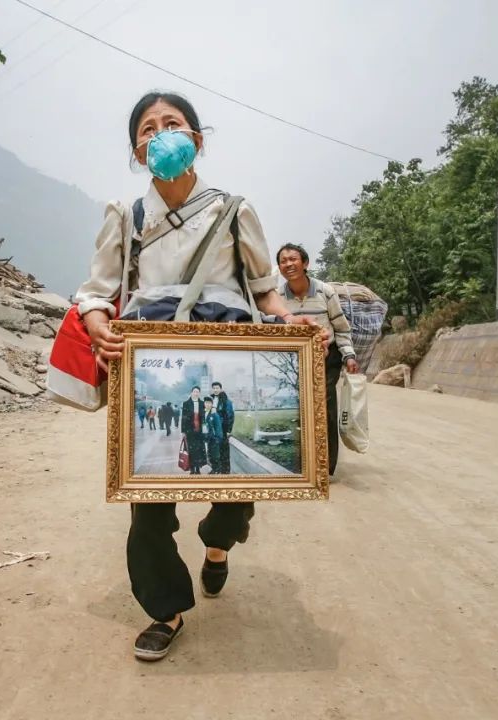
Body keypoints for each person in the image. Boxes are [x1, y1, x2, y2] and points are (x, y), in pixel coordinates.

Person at [74, 91, 325, 662]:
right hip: (148, 355)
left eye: (173, 123)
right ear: (136, 149)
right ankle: (166, 610)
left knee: (233, 485)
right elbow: (95, 290)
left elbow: (264, 289)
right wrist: (96, 323)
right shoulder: (126, 216)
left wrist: (299, 329)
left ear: (197, 139)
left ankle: (217, 545)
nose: (160, 133)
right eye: (148, 127)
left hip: (227, 345)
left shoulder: (235, 210)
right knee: (148, 501)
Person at [277, 243, 359, 477]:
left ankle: (325, 466)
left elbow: (341, 328)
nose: (288, 264)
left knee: (324, 408)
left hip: (325, 357)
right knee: (298, 409)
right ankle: (301, 463)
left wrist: (349, 354)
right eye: (283, 261)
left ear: (305, 263)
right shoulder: (278, 297)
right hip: (293, 361)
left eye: (293, 259)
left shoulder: (325, 292)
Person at [180, 386, 206, 476]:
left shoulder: (202, 403)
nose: (196, 393)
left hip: (199, 431)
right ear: (191, 392)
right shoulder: (186, 403)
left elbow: (204, 417)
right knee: (190, 450)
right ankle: (192, 468)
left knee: (198, 450)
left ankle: (198, 468)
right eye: (194, 391)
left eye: (197, 392)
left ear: (199, 393)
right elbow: (183, 418)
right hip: (189, 430)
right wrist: (183, 431)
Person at [210, 382, 234, 474]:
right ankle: (216, 468)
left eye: (217, 388)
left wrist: (228, 430)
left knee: (224, 451)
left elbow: (230, 416)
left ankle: (225, 471)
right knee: (213, 450)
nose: (215, 390)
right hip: (213, 430)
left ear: (220, 389)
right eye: (214, 388)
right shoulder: (210, 399)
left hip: (223, 429)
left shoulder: (226, 401)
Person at [202, 396, 225, 474]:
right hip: (207, 438)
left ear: (212, 404)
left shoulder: (214, 414)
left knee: (215, 455)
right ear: (204, 404)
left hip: (214, 438)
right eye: (206, 403)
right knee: (210, 455)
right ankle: (215, 469)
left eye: (209, 403)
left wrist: (218, 438)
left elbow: (218, 427)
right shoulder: (204, 413)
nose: (207, 404)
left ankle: (217, 470)